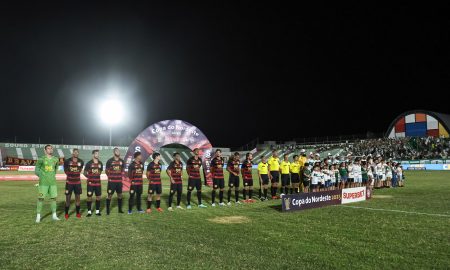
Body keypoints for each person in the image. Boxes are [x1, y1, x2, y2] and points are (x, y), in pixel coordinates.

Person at [35, 144, 60, 223]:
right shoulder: (41, 159)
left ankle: (54, 215)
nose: (50, 150)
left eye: (51, 148)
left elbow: (56, 168)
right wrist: (42, 176)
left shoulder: (56, 159)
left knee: (53, 199)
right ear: (45, 150)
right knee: (40, 198)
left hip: (52, 183)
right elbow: (36, 170)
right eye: (48, 149)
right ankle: (38, 216)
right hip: (43, 183)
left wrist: (52, 175)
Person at [63, 148, 84, 219]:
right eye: (75, 152)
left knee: (78, 198)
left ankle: (78, 213)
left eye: (77, 152)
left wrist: (75, 173)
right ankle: (66, 213)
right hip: (69, 183)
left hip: (77, 183)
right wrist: (71, 175)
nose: (76, 153)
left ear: (78, 153)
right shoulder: (67, 161)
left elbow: (80, 169)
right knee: (68, 199)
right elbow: (65, 171)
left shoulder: (81, 161)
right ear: (72, 153)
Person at [105, 147, 125, 215]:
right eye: (117, 151)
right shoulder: (109, 161)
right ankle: (107, 210)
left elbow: (122, 170)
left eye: (119, 151)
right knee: (109, 195)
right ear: (114, 152)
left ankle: (120, 209)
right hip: (112, 182)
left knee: (120, 195)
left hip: (119, 182)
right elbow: (106, 171)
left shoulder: (122, 161)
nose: (118, 152)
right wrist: (111, 177)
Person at [84, 150, 103, 217]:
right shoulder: (89, 163)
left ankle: (97, 211)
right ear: (93, 155)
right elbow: (85, 173)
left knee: (98, 197)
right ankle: (89, 212)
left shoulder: (100, 163)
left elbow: (100, 172)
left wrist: (96, 175)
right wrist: (90, 178)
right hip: (90, 184)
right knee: (89, 197)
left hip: (98, 183)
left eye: (98, 153)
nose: (97, 155)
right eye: (96, 154)